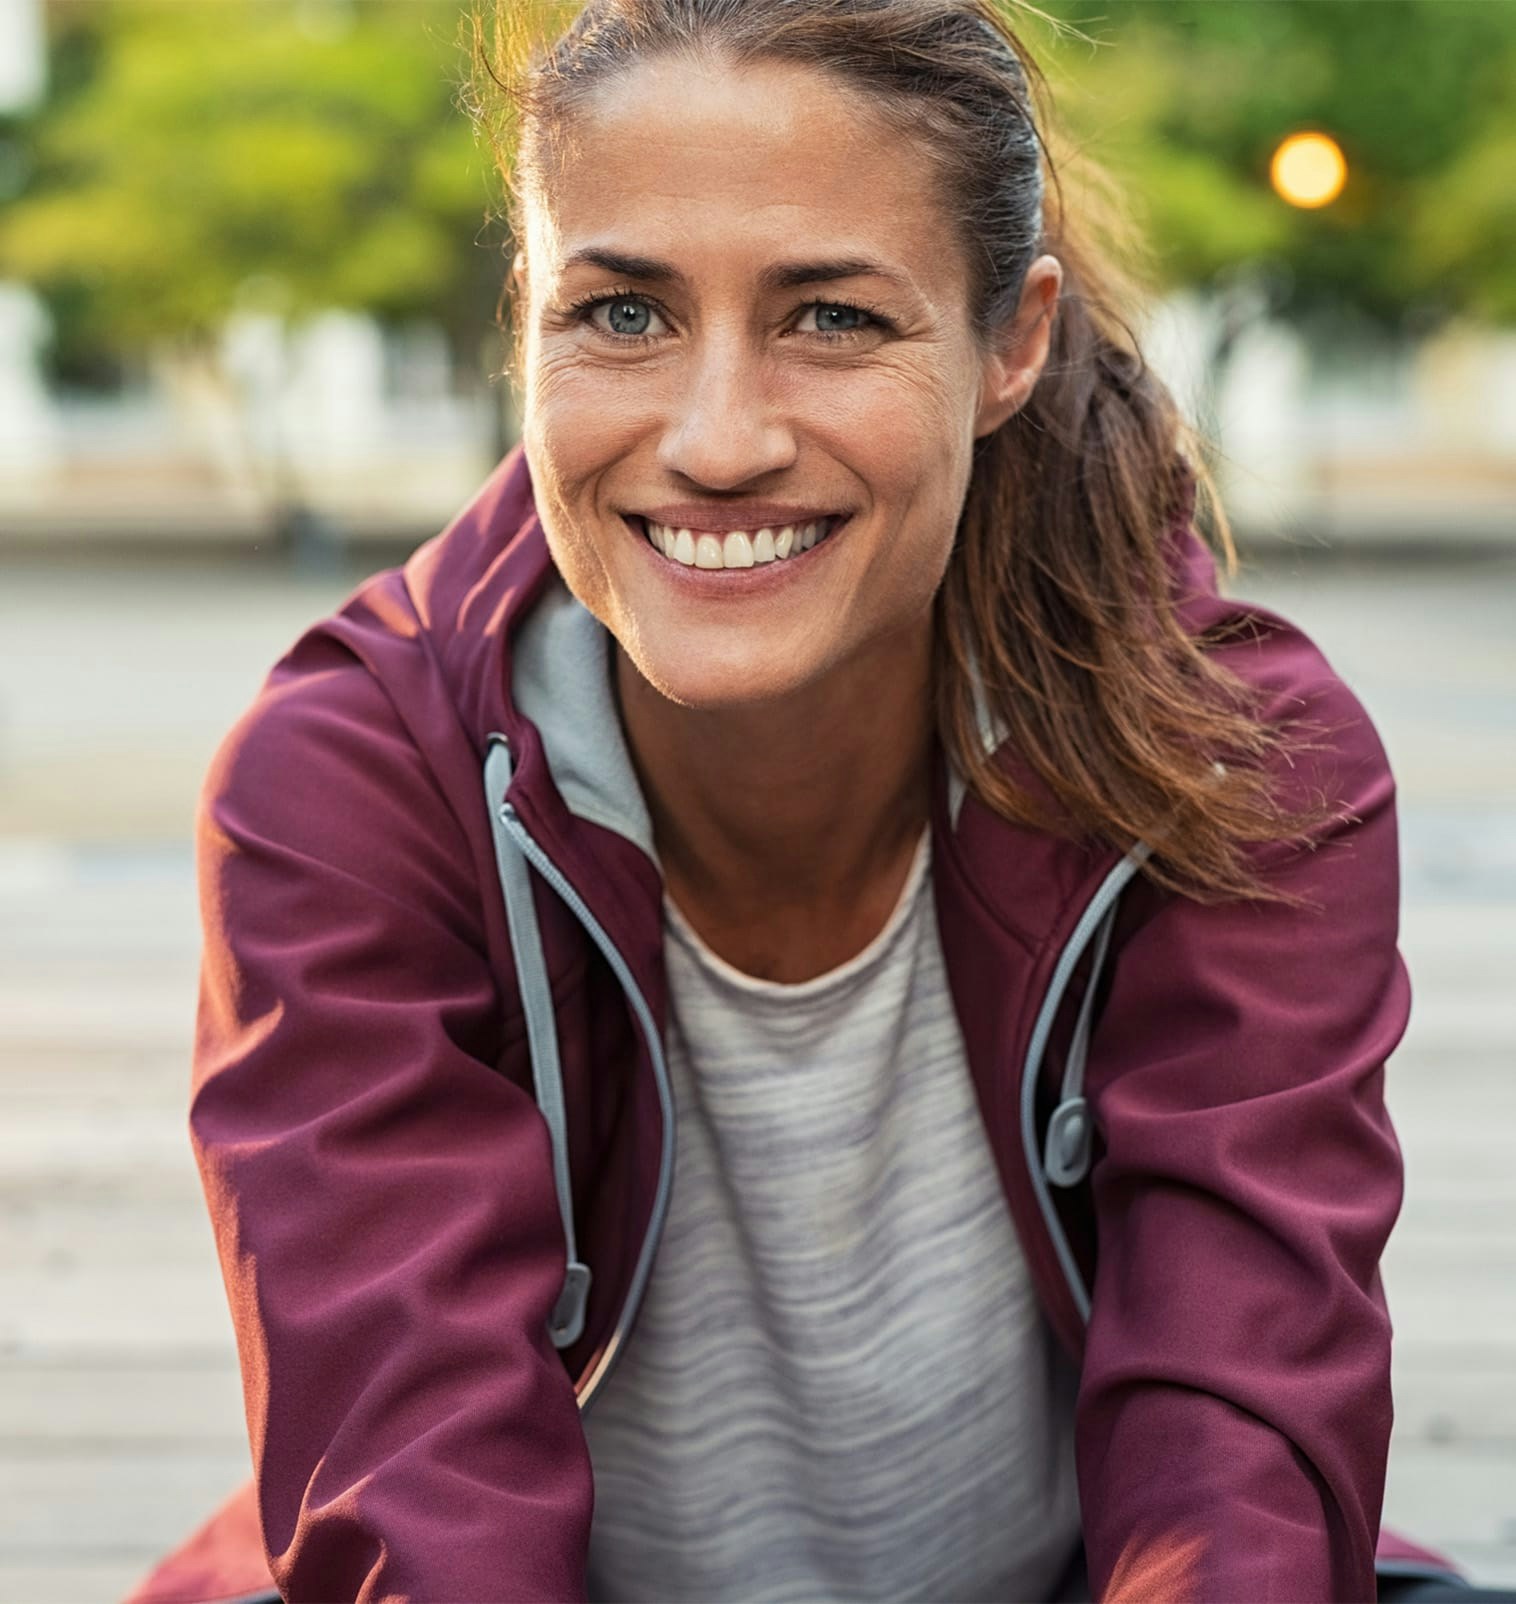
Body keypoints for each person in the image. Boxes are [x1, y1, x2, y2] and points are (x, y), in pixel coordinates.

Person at [126, 3, 1509, 1602]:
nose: (718, 439)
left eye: (834, 319)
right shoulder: (354, 779)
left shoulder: (1237, 760)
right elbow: (412, 1501)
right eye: (624, 313)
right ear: (529, 323)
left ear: (1012, 342)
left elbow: (1239, 1451)